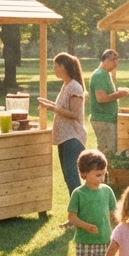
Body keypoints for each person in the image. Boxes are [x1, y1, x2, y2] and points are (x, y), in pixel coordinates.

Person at [67, 150, 118, 256]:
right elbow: (71, 217)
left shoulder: (107, 191)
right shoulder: (78, 194)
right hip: (84, 242)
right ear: (83, 174)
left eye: (103, 174)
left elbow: (113, 214)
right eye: (97, 175)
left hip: (105, 242)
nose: (101, 179)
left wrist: (120, 229)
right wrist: (86, 226)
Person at [38, 52, 87, 193]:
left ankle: (81, 211)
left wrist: (52, 108)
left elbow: (75, 114)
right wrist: (48, 103)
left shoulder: (74, 87)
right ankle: (74, 211)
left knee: (72, 178)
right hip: (64, 138)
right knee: (68, 177)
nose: (54, 68)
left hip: (73, 138)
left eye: (56, 65)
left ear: (64, 67)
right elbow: (64, 108)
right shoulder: (66, 85)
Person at [88, 49, 129, 154]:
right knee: (107, 152)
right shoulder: (99, 75)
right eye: (114, 61)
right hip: (103, 120)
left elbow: (107, 94)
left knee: (110, 150)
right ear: (107, 60)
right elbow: (101, 98)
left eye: (117, 61)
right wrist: (119, 94)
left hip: (108, 119)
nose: (116, 65)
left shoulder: (105, 74)